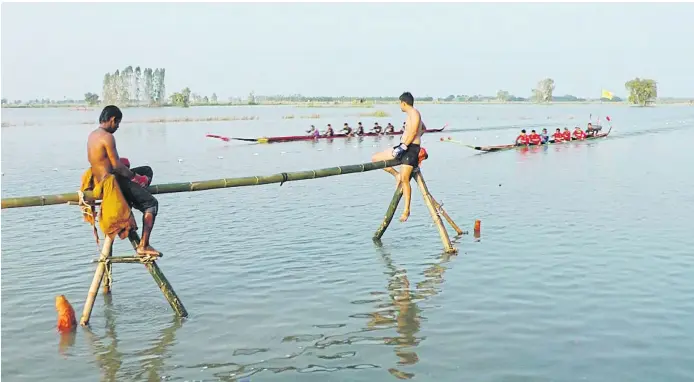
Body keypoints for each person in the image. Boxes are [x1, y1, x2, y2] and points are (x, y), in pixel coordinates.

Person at [87, 105, 160, 256]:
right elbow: (117, 166)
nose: (118, 127)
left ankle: (131, 199)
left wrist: (134, 173)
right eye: (118, 123)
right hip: (112, 182)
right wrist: (135, 178)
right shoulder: (108, 137)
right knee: (151, 204)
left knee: (147, 170)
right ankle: (143, 245)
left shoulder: (93, 135)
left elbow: (108, 162)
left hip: (103, 179)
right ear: (113, 120)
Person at [371, 92, 423, 222]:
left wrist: (405, 146)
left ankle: (407, 210)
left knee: (405, 180)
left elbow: (414, 131)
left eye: (400, 103)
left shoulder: (414, 113)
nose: (399, 105)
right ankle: (396, 175)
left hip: (410, 150)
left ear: (404, 103)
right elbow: (423, 128)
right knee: (376, 158)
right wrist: (402, 145)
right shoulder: (408, 115)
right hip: (403, 146)